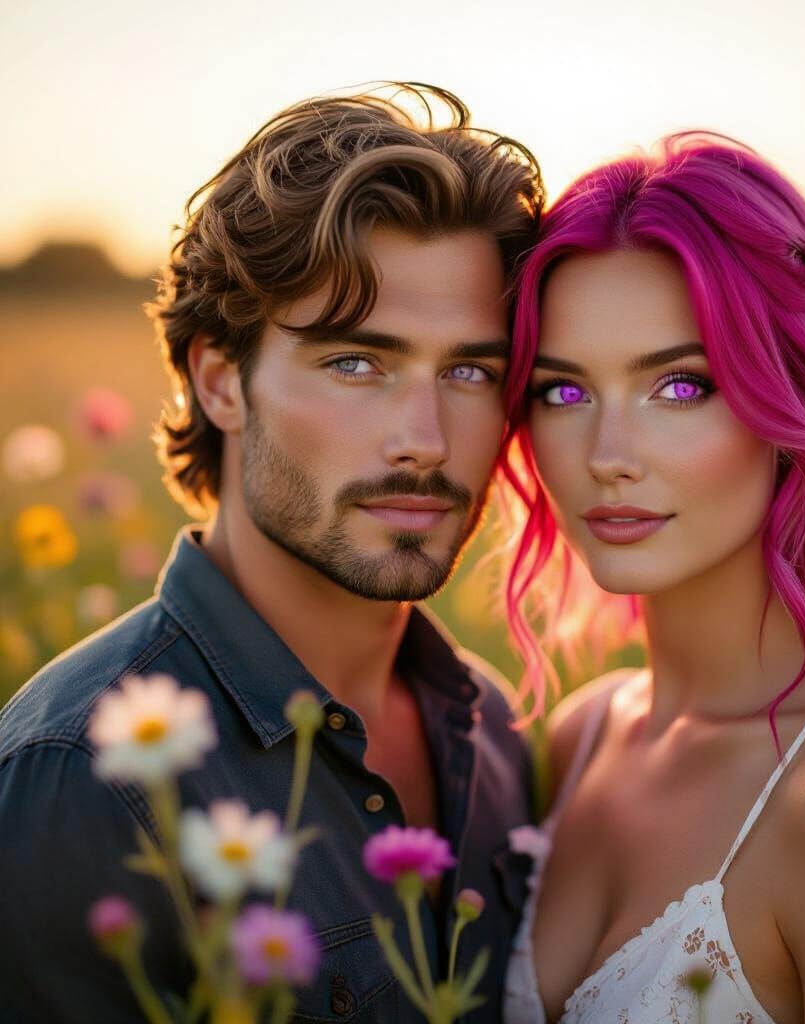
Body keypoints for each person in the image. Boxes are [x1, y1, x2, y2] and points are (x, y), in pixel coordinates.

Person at [0, 84, 543, 1022]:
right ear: (221, 382)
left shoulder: (492, 728)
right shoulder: (79, 778)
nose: (425, 440)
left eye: (469, 370)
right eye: (355, 363)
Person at [499, 134, 805, 1023]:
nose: (607, 455)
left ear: (801, 400)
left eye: (681, 387)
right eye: (563, 392)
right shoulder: (582, 737)